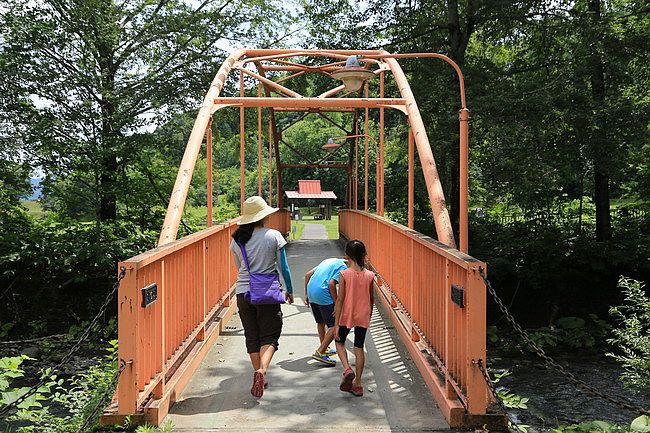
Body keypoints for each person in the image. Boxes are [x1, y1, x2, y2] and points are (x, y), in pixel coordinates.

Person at [230, 196, 294, 398]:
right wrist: (290, 290)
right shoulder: (274, 235)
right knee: (270, 335)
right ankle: (262, 371)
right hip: (267, 293)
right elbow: (283, 267)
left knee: (252, 336)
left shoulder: (237, 239)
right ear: (264, 216)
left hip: (243, 292)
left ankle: (259, 375)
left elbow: (239, 268)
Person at [334, 239, 374, 397]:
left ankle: (347, 369)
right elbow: (371, 299)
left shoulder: (344, 274)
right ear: (364, 254)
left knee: (339, 342)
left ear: (347, 256)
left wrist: (337, 324)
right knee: (359, 348)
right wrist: (368, 315)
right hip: (363, 315)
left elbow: (340, 300)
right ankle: (358, 384)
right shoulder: (370, 275)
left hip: (347, 314)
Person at [304, 257, 348, 366]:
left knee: (321, 322)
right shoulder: (343, 267)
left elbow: (307, 274)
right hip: (323, 293)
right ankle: (321, 351)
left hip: (311, 291)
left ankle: (325, 347)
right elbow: (331, 284)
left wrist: (306, 295)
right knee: (335, 325)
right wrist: (336, 303)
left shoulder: (328, 261)